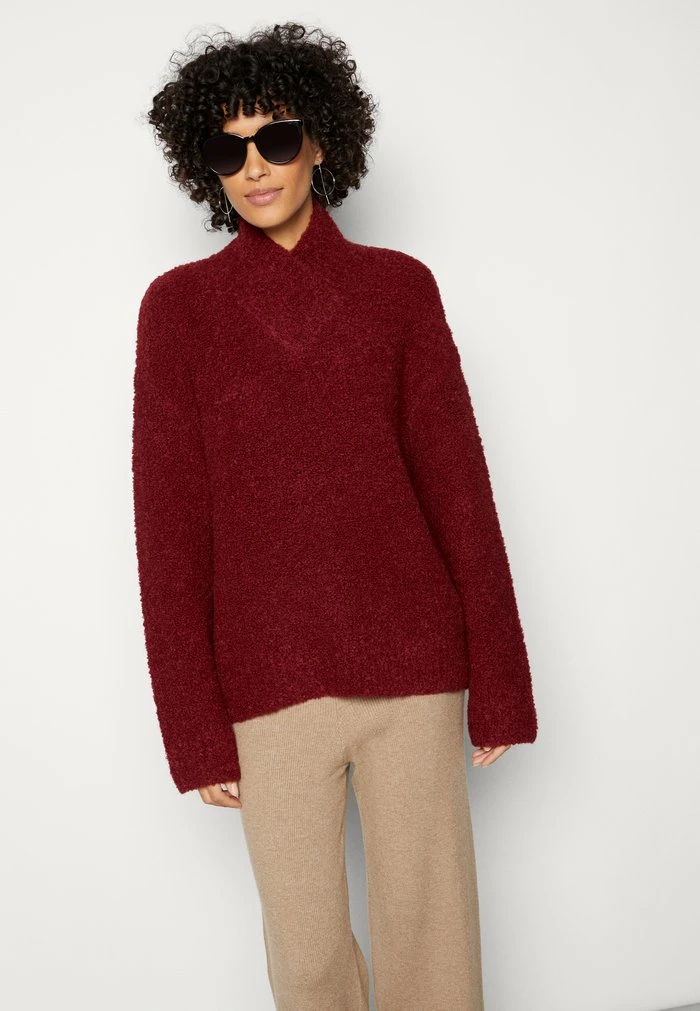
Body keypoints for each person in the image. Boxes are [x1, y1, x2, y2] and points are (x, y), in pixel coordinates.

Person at [132, 21, 538, 1011]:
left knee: (432, 940)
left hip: (413, 669)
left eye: (276, 138)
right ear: (203, 165)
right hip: (266, 683)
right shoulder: (179, 310)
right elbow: (167, 530)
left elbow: (458, 488)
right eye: (228, 148)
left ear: (320, 141)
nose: (254, 167)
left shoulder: (398, 291)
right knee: (307, 955)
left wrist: (500, 678)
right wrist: (193, 726)